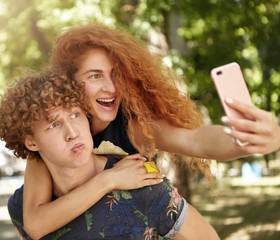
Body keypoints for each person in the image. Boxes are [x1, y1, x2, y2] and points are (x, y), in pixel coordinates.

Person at [19, 23, 280, 238]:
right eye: (95, 76)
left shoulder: (132, 126)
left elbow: (195, 141)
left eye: (115, 74)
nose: (111, 87)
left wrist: (245, 140)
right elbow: (36, 223)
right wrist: (109, 180)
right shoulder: (53, 142)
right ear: (68, 84)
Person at [0, 67, 220, 239]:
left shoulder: (143, 182)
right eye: (54, 125)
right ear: (32, 142)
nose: (72, 133)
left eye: (75, 115)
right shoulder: (21, 207)